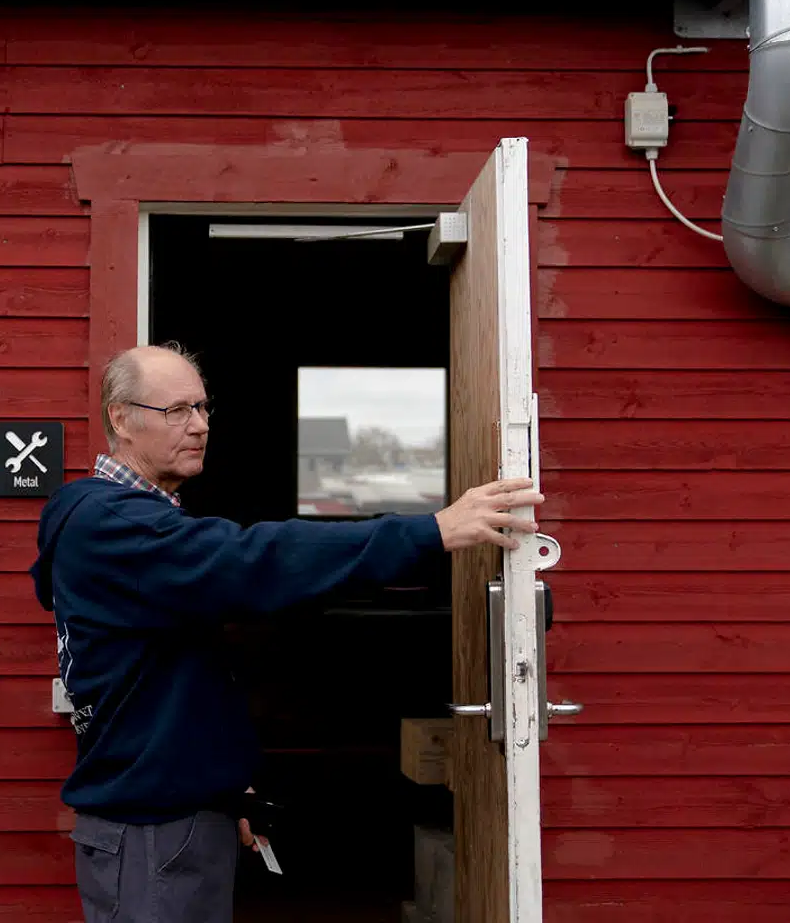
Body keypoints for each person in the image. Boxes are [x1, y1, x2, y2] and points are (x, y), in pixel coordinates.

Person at [31, 343, 544, 923]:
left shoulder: (138, 524)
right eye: (177, 411)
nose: (199, 425)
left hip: (174, 815)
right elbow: (253, 560)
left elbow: (181, 675)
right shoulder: (114, 526)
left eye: (202, 408)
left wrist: (226, 791)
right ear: (122, 418)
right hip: (150, 830)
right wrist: (430, 531)